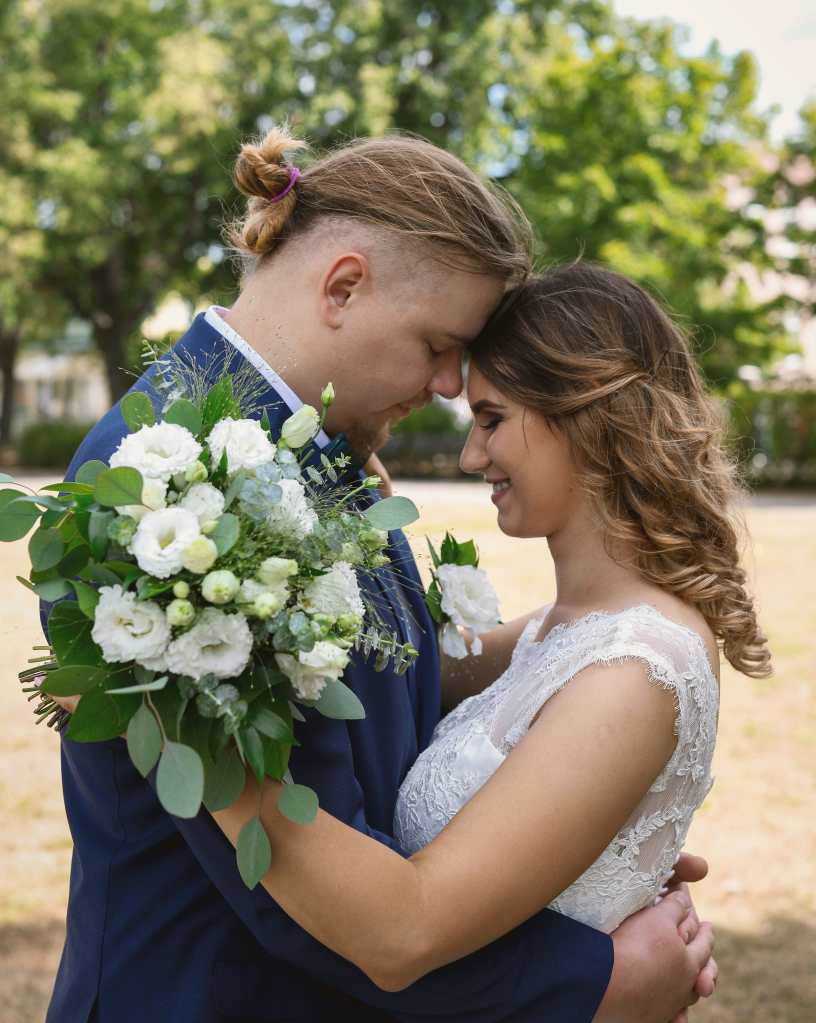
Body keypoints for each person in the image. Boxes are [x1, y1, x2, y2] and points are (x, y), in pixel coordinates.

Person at [43, 129, 716, 1022]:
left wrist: (583, 829)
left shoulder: (315, 448)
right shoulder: (161, 487)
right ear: (344, 285)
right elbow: (311, 897)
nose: (449, 386)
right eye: (440, 344)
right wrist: (594, 978)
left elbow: (383, 691)